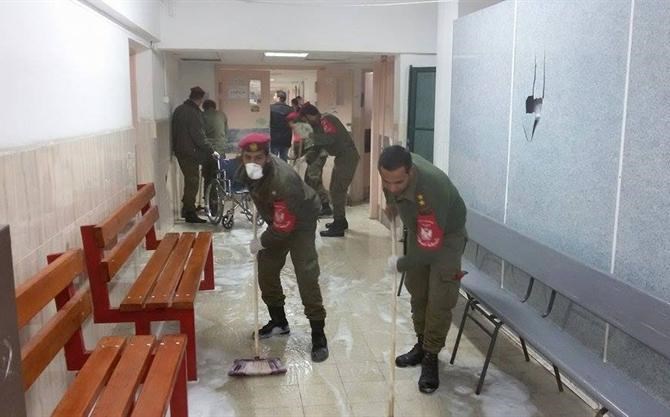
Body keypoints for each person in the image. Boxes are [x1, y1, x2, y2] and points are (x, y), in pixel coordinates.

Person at [380, 145, 467, 394]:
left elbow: (430, 250)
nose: (393, 187)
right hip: (421, 230)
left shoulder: (431, 190)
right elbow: (390, 187)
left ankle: (431, 355)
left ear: (410, 172)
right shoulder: (392, 172)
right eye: (387, 182)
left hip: (446, 237)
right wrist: (391, 204)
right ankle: (421, 344)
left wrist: (401, 263)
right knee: (418, 290)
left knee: (439, 298)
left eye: (398, 182)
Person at [236, 132, 329, 362]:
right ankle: (279, 322)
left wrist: (261, 242)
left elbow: (283, 228)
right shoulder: (246, 170)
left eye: (258, 158)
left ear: (267, 157)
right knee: (266, 269)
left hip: (302, 219)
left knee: (306, 272)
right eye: (248, 157)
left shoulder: (283, 180)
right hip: (278, 220)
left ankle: (318, 333)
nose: (253, 162)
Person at [300, 104, 359, 236]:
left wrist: (311, 138)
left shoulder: (326, 119)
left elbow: (330, 138)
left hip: (347, 156)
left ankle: (338, 225)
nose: (306, 123)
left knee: (337, 190)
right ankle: (341, 221)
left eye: (306, 120)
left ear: (310, 115)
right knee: (335, 189)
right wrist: (307, 158)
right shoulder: (317, 126)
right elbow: (317, 148)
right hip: (341, 157)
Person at [171, 86, 220, 223]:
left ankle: (187, 207)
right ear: (201, 99)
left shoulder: (179, 109)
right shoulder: (193, 113)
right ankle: (189, 212)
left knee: (190, 181)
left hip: (181, 151)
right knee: (193, 182)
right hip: (190, 152)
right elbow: (199, 136)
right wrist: (211, 150)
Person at [286, 112, 332, 216]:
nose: (290, 126)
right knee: (308, 180)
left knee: (314, 179)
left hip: (317, 155)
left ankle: (326, 206)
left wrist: (304, 157)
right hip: (314, 155)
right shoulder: (300, 129)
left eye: (291, 123)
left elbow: (313, 146)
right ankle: (314, 204)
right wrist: (296, 157)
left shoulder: (305, 128)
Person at [202, 99, 228, 206]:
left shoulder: (202, 116)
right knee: (219, 174)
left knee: (208, 178)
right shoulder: (222, 115)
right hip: (221, 150)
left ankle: (209, 202)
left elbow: (201, 135)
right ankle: (219, 200)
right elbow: (226, 132)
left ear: (204, 108)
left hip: (209, 151)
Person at [269, 90, 293, 161]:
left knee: (274, 159)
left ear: (278, 98)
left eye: (275, 96)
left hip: (274, 137)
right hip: (286, 138)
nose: (273, 97)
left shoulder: (270, 108)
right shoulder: (291, 109)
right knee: (284, 158)